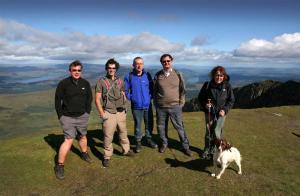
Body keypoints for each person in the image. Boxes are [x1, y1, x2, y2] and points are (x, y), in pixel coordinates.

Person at [54, 60, 93, 180]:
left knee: (82, 136)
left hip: (82, 116)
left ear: (81, 71)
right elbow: (57, 101)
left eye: (79, 70)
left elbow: (89, 99)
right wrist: (61, 116)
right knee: (69, 140)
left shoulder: (85, 83)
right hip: (67, 117)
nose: (76, 72)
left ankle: (84, 153)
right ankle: (59, 165)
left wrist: (87, 112)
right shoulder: (63, 84)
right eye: (74, 70)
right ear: (70, 71)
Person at [95, 58, 134, 168]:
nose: (111, 70)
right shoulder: (101, 82)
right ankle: (107, 156)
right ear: (106, 69)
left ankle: (126, 150)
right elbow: (97, 99)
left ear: (116, 69)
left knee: (123, 133)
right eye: (109, 68)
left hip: (121, 112)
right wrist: (102, 113)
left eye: (113, 68)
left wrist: (125, 107)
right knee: (108, 136)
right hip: (109, 112)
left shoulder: (120, 81)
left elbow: (122, 93)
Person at [153, 54, 192, 156]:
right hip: (161, 107)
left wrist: (181, 103)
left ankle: (186, 147)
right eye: (164, 61)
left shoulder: (178, 74)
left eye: (168, 61)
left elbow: (183, 90)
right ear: (161, 63)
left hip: (175, 107)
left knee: (179, 127)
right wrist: (156, 104)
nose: (166, 63)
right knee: (161, 127)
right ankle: (164, 144)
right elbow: (154, 91)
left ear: (171, 61)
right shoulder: (158, 75)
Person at [198, 65, 235, 159]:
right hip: (209, 113)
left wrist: (225, 110)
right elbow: (201, 98)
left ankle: (214, 149)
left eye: (221, 75)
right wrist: (206, 104)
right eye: (217, 75)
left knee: (217, 132)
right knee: (209, 132)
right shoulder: (207, 85)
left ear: (224, 76)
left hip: (221, 114)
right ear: (213, 75)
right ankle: (207, 149)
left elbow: (231, 100)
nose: (219, 77)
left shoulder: (227, 86)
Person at [124, 57, 158, 153]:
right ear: (133, 65)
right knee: (138, 125)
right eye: (137, 63)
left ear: (143, 65)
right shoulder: (129, 76)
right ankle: (138, 141)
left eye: (141, 63)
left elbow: (151, 89)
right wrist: (133, 98)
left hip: (148, 105)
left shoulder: (147, 75)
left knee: (149, 123)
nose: (139, 65)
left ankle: (149, 139)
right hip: (136, 106)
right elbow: (125, 91)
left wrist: (149, 98)